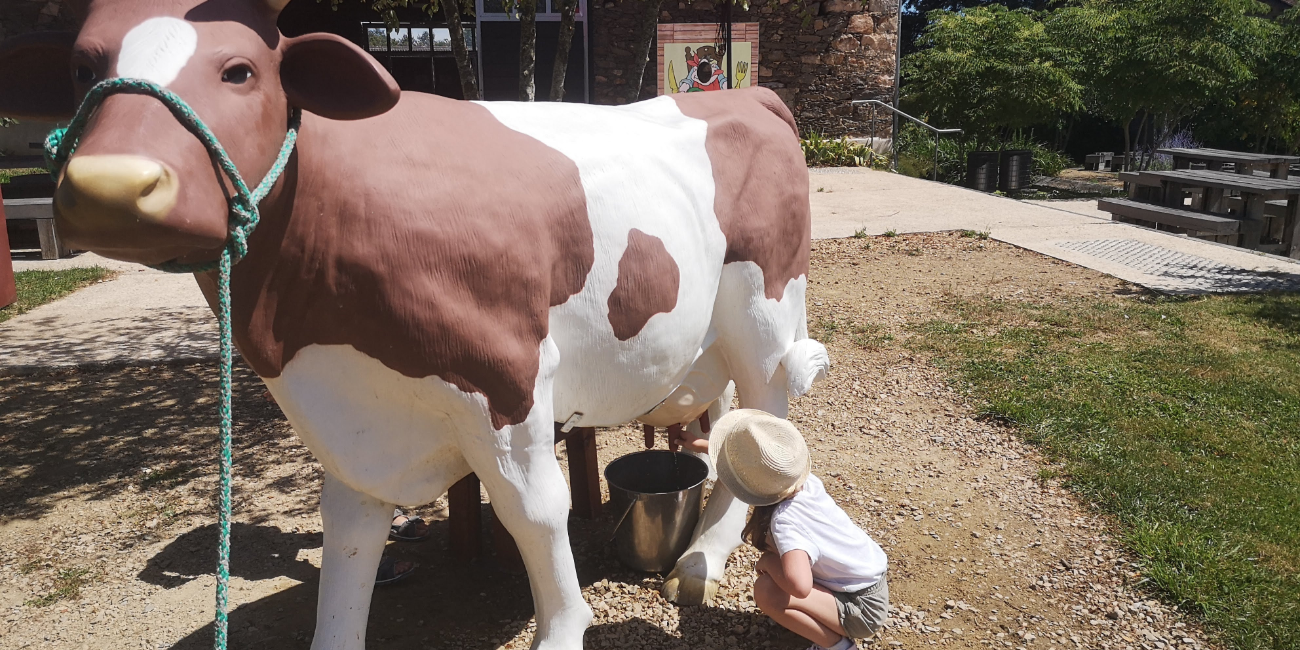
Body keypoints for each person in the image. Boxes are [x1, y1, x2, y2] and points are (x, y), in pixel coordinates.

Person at [709, 409, 890, 650]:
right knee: (783, 566)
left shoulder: (786, 521)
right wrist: (698, 445)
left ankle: (838, 646)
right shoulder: (804, 483)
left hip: (862, 609)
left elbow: (800, 587)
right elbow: (754, 464)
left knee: (767, 591)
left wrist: (768, 563)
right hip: (869, 586)